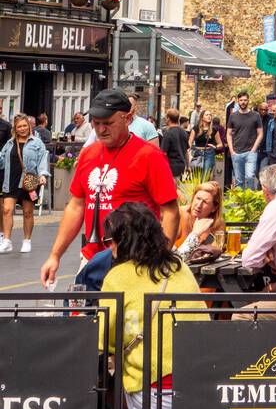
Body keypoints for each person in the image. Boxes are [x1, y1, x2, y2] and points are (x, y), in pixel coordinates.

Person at [40, 89, 179, 287]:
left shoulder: (149, 155)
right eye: (96, 123)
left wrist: (160, 257)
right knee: (85, 314)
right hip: (92, 256)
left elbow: (170, 211)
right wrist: (55, 255)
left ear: (127, 118)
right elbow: (76, 206)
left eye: (108, 123)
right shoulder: (89, 153)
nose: (101, 130)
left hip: (135, 259)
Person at [99, 202, 208, 409]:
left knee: (98, 390)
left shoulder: (118, 276)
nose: (110, 247)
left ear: (124, 240)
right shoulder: (179, 266)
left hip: (156, 394)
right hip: (200, 387)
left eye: (111, 240)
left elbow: (103, 340)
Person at [0, 114, 50, 253]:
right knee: (7, 210)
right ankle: (7, 241)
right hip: (10, 180)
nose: (22, 129)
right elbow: (2, 161)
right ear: (15, 128)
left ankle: (27, 240)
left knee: (27, 212)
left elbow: (42, 161)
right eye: (19, 126)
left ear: (29, 126)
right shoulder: (10, 143)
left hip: (29, 182)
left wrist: (43, 175)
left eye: (24, 126)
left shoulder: (36, 142)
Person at [176, 181, 225, 260]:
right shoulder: (179, 215)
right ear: (193, 198)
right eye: (198, 198)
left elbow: (214, 252)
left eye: (205, 202)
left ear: (214, 208)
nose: (198, 205)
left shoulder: (217, 223)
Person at [226, 90, 263, 190]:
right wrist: (231, 150)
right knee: (239, 181)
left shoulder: (255, 115)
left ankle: (249, 202)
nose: (243, 102)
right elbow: (228, 134)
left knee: (250, 177)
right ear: (238, 101)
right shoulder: (233, 116)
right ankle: (240, 204)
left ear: (248, 101)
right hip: (236, 153)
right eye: (241, 100)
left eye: (245, 100)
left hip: (250, 153)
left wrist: (253, 150)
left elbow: (260, 133)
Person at [190, 109, 226, 176]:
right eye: (207, 115)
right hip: (197, 154)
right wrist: (190, 152)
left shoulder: (214, 130)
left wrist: (215, 147)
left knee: (206, 177)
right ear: (202, 117)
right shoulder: (195, 129)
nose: (209, 116)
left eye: (210, 115)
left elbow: (220, 144)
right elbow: (189, 143)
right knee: (197, 176)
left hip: (209, 153)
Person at [160, 109, 190, 179]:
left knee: (171, 188)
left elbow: (163, 153)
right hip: (181, 166)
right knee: (178, 187)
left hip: (171, 166)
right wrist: (188, 166)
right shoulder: (184, 132)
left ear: (168, 118)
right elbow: (186, 152)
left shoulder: (168, 133)